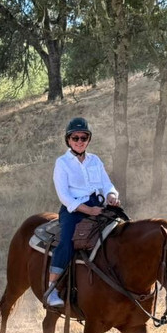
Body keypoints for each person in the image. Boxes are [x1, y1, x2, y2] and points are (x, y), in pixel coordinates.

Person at [45, 117, 119, 308]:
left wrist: (111, 195)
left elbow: (107, 184)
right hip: (75, 209)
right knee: (67, 240)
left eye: (83, 137)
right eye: (75, 137)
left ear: (88, 139)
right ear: (68, 140)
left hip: (99, 205)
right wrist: (87, 209)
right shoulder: (62, 163)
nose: (79, 141)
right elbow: (64, 195)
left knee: (123, 230)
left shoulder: (95, 160)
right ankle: (52, 288)